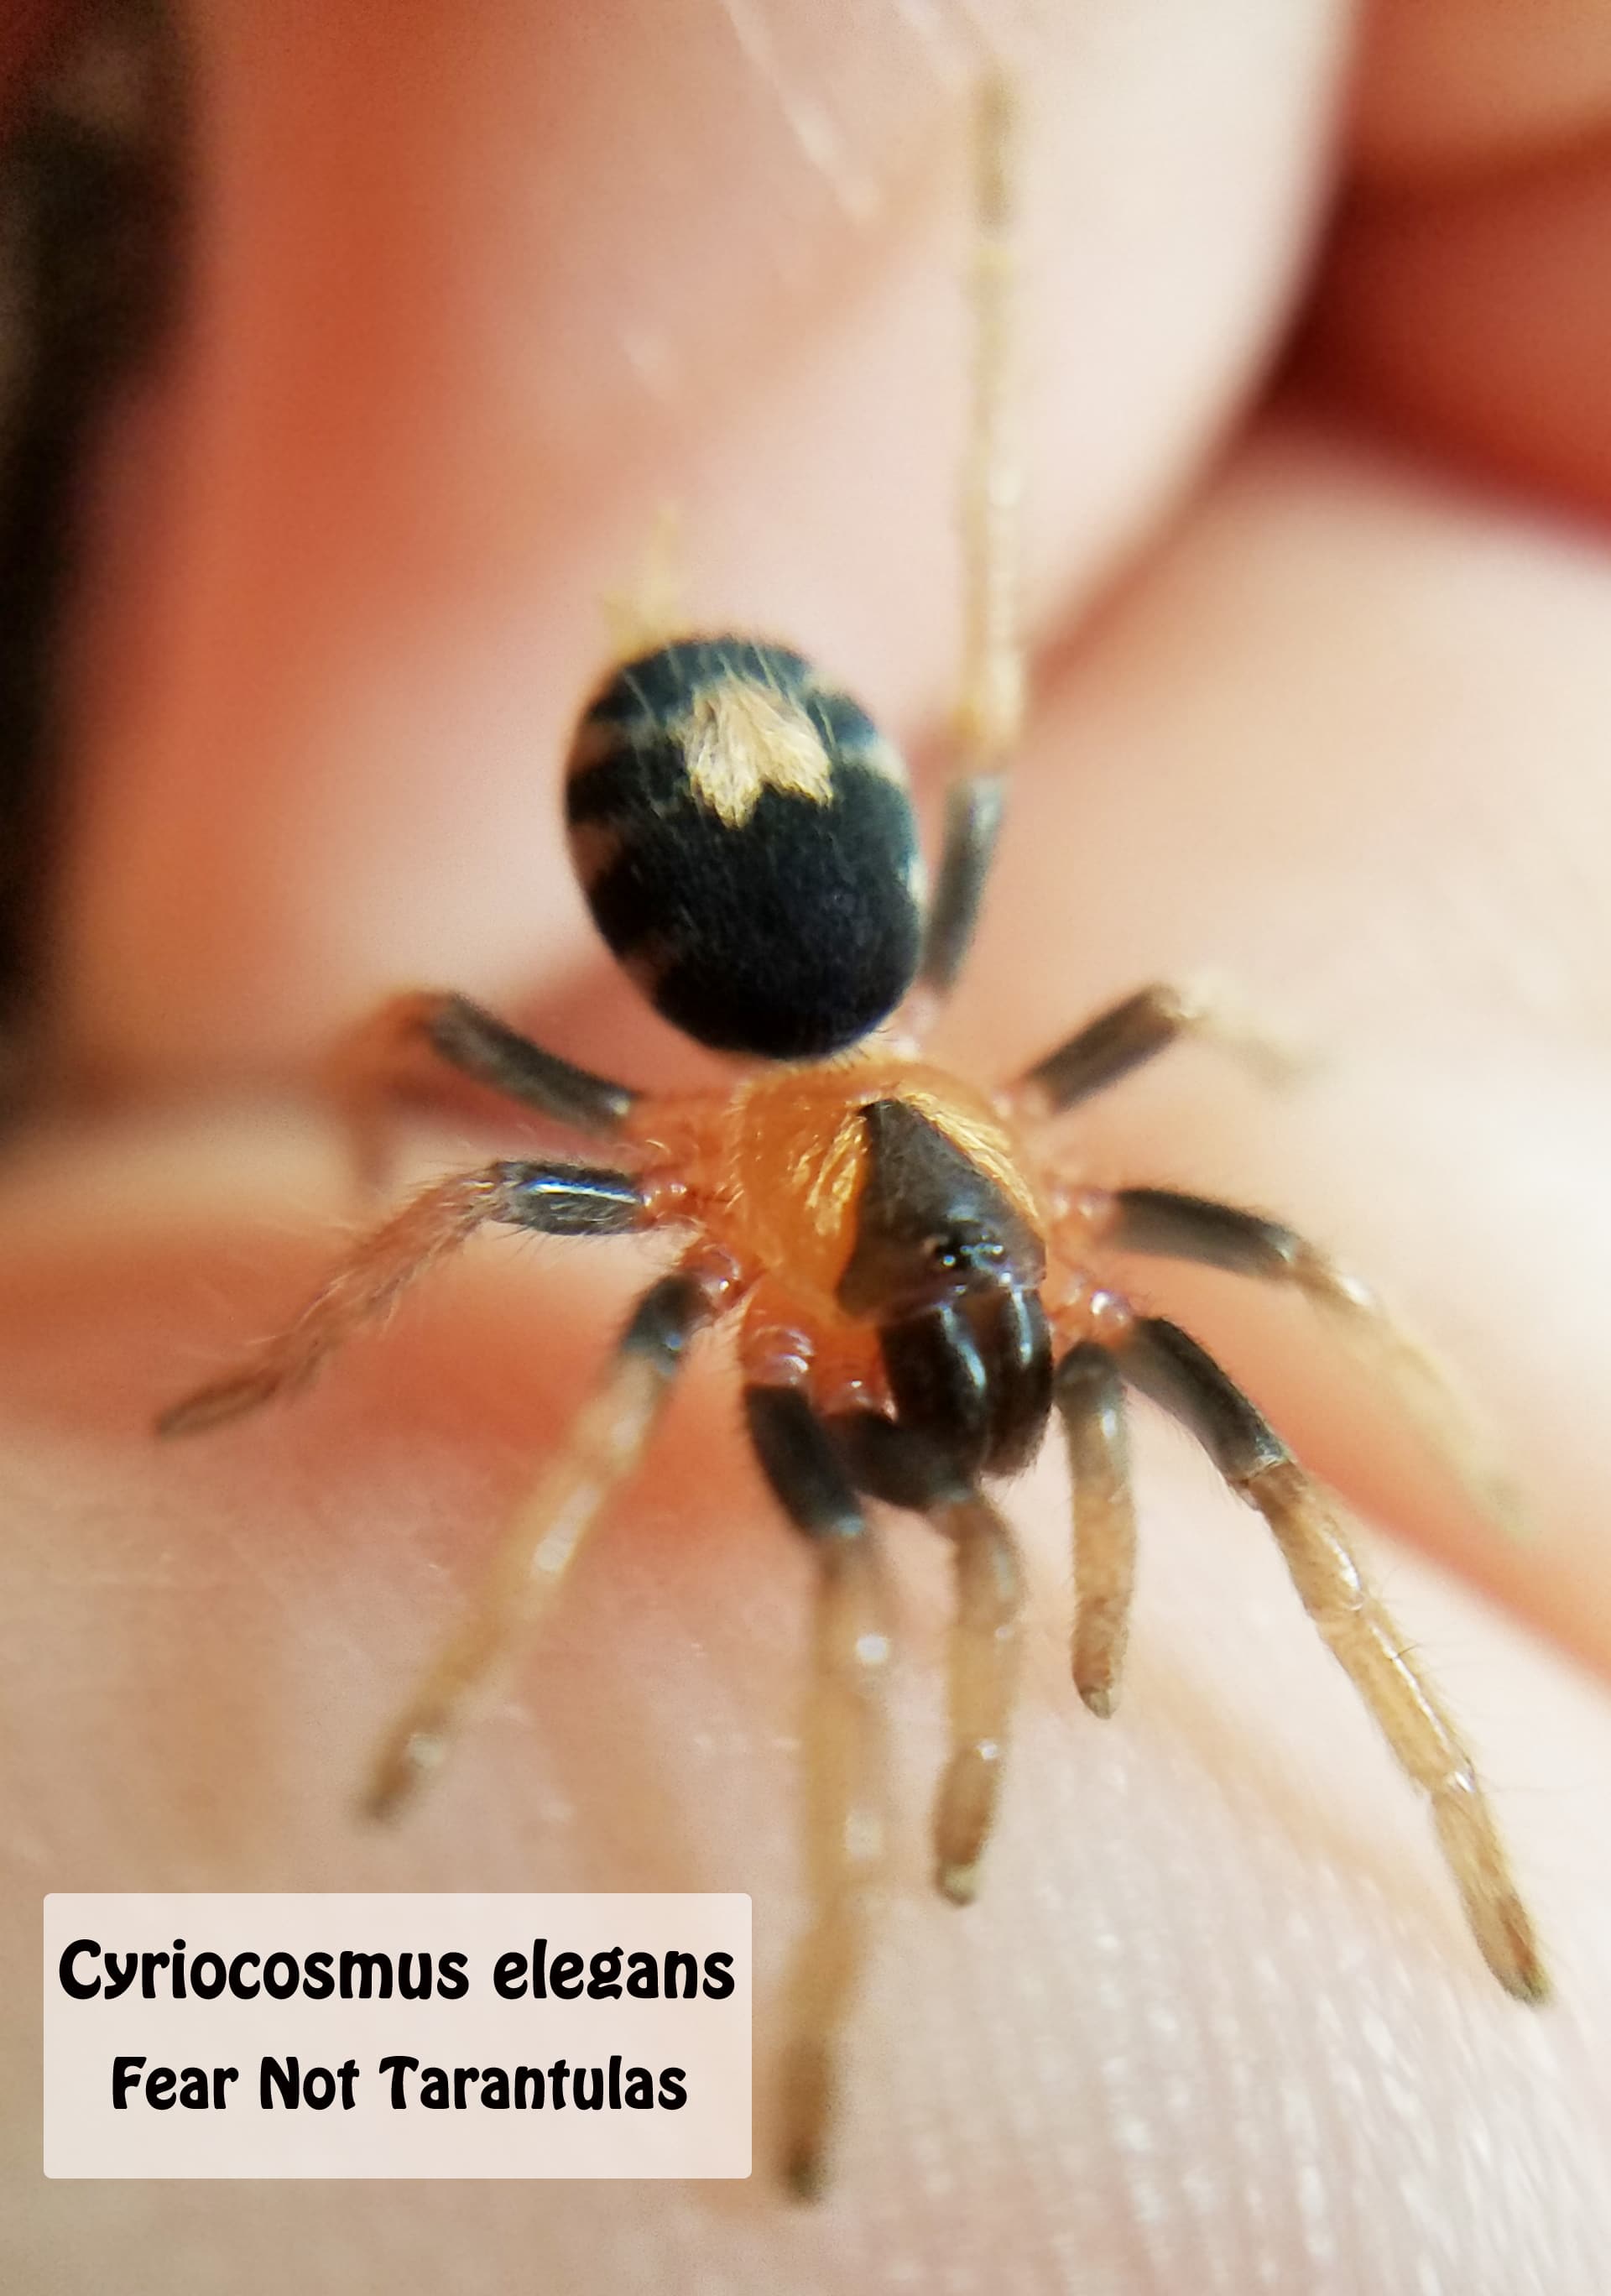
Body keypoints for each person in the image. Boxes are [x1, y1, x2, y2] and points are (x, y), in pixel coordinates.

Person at [6, 1, 1608, 2283]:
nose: (971, 1358)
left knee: (1267, 1377)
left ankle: (1457, 1865)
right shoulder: (703, 1227)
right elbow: (465, 1161)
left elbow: (1313, 1291)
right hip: (712, 836)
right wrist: (459, 1659)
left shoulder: (1041, 1224)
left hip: (780, 872)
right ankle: (823, 2013)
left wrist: (1485, 1481)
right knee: (835, 1553)